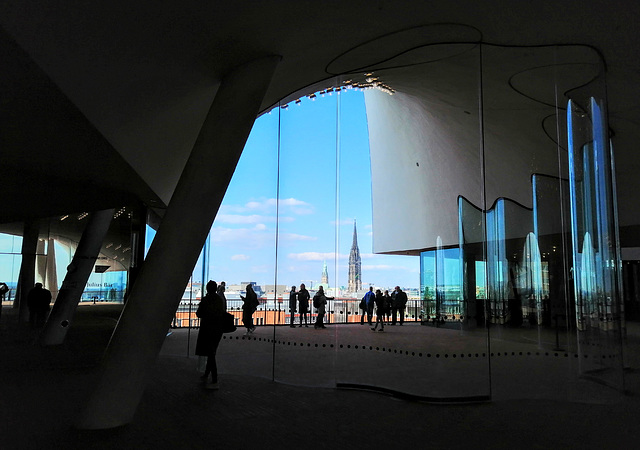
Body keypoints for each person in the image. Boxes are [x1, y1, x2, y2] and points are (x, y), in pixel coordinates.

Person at [195, 280, 225, 390]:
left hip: (207, 329)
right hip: (217, 329)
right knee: (211, 352)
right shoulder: (219, 299)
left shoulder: (206, 300)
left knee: (210, 353)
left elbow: (199, 313)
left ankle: (214, 378)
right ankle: (207, 375)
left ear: (208, 289)